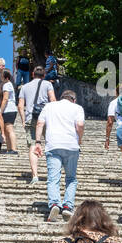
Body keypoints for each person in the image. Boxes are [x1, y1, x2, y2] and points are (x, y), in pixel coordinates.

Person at [36, 88, 85, 222]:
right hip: (71, 146)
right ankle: (67, 206)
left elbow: (40, 123)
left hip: (53, 145)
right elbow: (80, 125)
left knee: (53, 178)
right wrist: (79, 139)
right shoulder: (77, 108)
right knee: (71, 178)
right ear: (73, 99)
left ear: (61, 97)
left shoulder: (49, 106)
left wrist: (38, 142)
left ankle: (54, 203)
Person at [18, 68, 55, 183]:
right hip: (46, 118)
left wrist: (23, 120)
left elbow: (20, 105)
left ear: (33, 74)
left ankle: (35, 175)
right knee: (51, 145)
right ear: (44, 75)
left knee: (33, 146)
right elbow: (53, 100)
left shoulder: (24, 87)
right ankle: (53, 174)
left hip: (31, 117)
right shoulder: (48, 84)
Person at [0, 62, 18, 153]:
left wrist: (0, 111)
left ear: (6, 77)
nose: (0, 76)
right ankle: (9, 148)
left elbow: (5, 99)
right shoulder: (8, 85)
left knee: (9, 128)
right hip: (9, 109)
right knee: (6, 128)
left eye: (1, 75)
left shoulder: (6, 85)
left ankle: (13, 148)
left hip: (9, 109)